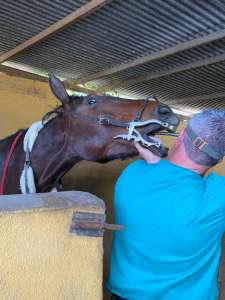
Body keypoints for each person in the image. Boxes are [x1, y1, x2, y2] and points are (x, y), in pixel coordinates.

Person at [107, 109, 225, 300]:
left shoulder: (132, 174)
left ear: (181, 137)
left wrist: (157, 162)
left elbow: (165, 185)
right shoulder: (219, 196)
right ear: (218, 159)